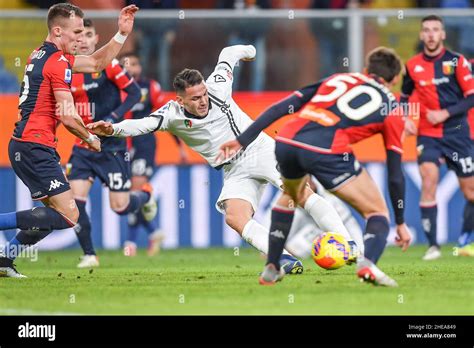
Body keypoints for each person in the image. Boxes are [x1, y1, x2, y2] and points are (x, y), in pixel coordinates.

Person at [88, 45, 360, 275]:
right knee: (235, 217)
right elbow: (143, 125)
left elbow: (228, 53)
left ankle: (348, 245)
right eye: (195, 98)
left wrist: (249, 51)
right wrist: (113, 129)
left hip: (260, 149)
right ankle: (284, 259)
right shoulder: (171, 114)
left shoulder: (217, 86)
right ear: (181, 100)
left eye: (203, 94)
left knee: (301, 194)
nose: (203, 101)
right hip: (234, 169)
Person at [219, 46, 412, 287]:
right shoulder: (392, 107)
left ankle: (273, 265)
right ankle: (368, 266)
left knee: (290, 197)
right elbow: (395, 174)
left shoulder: (339, 79)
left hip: (287, 141)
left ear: (365, 70)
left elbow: (282, 107)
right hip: (328, 150)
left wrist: (241, 140)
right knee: (377, 213)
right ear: (394, 80)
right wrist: (401, 222)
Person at [0, 3, 139, 278]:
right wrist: (90, 138)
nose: (81, 38)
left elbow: (97, 63)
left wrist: (121, 34)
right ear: (58, 30)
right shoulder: (57, 62)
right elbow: (67, 116)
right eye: (76, 32)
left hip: (28, 144)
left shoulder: (41, 54)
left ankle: (5, 261)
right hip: (34, 145)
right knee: (68, 216)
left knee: (52, 215)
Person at [67, 19, 156, 268]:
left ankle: (146, 196)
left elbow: (136, 93)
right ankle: (89, 254)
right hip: (83, 146)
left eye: (88, 35)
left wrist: (112, 119)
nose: (82, 39)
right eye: (78, 35)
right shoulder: (66, 70)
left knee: (120, 206)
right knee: (75, 202)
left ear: (96, 39)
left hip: (113, 147)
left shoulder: (110, 65)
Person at [401, 15, 474, 261]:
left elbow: (471, 97)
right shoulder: (412, 65)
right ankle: (433, 246)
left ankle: (466, 239)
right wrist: (408, 119)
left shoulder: (458, 62)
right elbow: (404, 98)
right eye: (426, 30)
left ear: (443, 34)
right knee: (428, 180)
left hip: (457, 134)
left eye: (435, 30)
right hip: (428, 135)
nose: (431, 34)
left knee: (471, 192)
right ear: (421, 35)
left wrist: (446, 112)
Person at [119, 52, 180, 257]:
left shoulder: (149, 87)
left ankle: (130, 244)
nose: (130, 68)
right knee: (127, 197)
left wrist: (180, 147)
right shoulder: (115, 90)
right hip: (121, 148)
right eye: (125, 65)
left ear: (140, 67)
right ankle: (154, 232)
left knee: (135, 192)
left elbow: (167, 117)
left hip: (144, 146)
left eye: (134, 64)